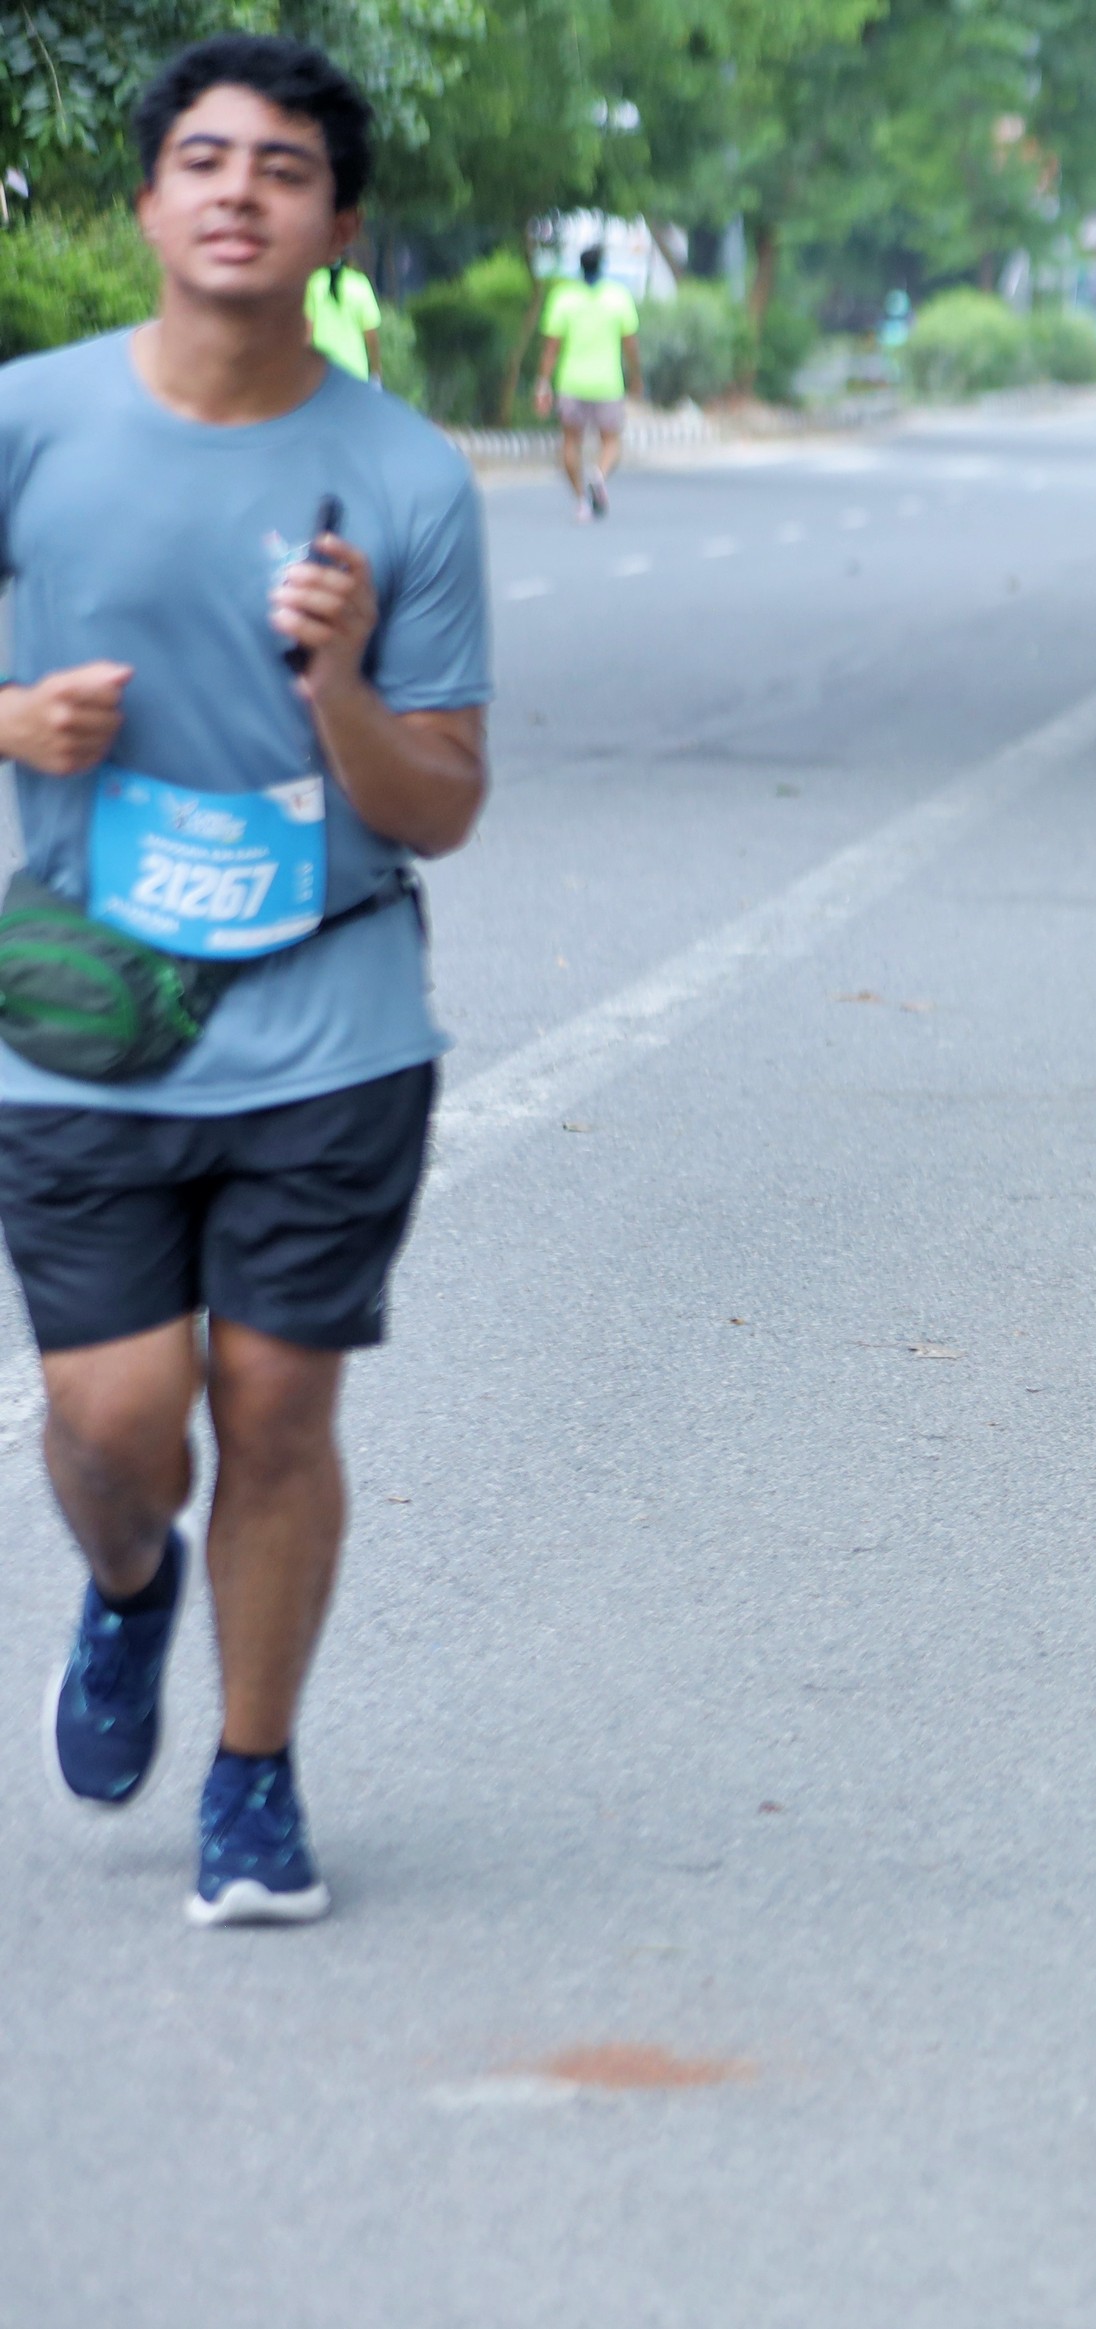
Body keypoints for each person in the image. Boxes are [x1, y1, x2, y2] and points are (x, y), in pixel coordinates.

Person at [7, 34, 490, 1927]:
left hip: (329, 1011)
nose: (237, 192)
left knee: (279, 1404)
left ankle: (254, 1777)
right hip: (85, 1010)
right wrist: (10, 719)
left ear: (337, 226)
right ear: (146, 199)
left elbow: (444, 803)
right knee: (118, 1426)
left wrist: (341, 686)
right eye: (203, 159)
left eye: (283, 169)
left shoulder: (407, 476)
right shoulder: (32, 420)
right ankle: (130, 1586)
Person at [536, 244, 640, 522]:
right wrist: (636, 377)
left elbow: (551, 348)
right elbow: (631, 345)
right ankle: (599, 474)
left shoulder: (564, 298)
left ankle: (582, 501)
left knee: (571, 441)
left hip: (571, 382)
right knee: (611, 441)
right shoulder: (618, 298)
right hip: (607, 383)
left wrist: (543, 383)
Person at [303, 254, 379, 382]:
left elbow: (307, 333)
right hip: (355, 373)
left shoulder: (315, 283)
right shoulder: (360, 284)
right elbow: (371, 335)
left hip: (322, 374)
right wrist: (376, 370)